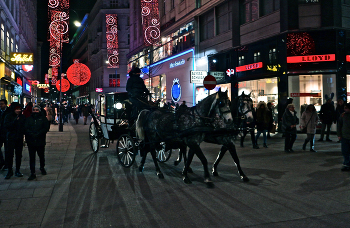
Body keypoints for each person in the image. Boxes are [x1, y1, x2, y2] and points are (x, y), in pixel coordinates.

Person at [24, 105, 50, 180]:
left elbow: (45, 128)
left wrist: (38, 134)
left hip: (40, 140)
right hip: (31, 141)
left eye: (37, 110)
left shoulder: (43, 119)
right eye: (34, 110)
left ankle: (42, 167)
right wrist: (31, 134)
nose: (35, 111)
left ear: (39, 111)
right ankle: (32, 172)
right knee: (32, 157)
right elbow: (26, 128)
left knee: (41, 156)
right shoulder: (29, 119)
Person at [3, 102, 25, 179]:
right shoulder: (8, 116)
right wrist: (15, 121)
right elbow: (6, 126)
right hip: (11, 138)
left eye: (19, 109)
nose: (18, 110)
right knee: (9, 155)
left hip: (19, 138)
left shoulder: (22, 117)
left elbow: (24, 127)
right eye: (17, 109)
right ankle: (9, 170)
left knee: (18, 155)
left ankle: (17, 170)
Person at [337, 103, 350, 171]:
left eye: (346, 108)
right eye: (344, 108)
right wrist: (339, 134)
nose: (345, 109)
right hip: (344, 136)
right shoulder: (343, 115)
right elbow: (339, 125)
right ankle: (346, 164)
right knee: (345, 151)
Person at [0, 99, 11, 170]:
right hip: (0, 133)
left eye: (2, 104)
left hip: (7, 133)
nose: (0, 105)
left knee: (7, 150)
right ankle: (1, 162)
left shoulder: (9, 111)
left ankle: (7, 164)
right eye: (0, 104)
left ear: (5, 104)